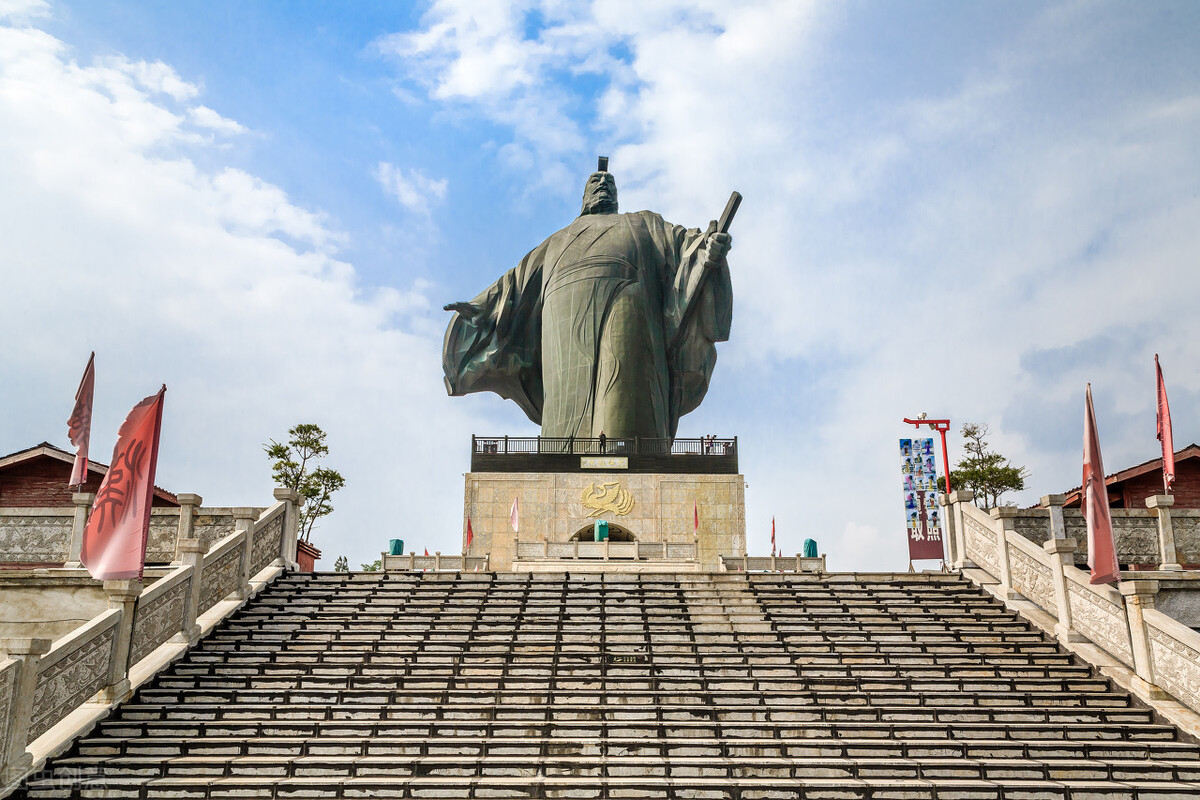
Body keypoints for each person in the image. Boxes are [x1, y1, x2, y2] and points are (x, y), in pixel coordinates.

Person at [442, 164, 733, 439]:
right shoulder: (556, 241)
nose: (604, 186)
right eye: (596, 182)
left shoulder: (644, 223)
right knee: (566, 407)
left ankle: (630, 466)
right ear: (584, 196)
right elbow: (513, 287)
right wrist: (480, 309)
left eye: (610, 184)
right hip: (562, 331)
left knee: (623, 399)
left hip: (628, 310)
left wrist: (707, 249)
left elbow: (687, 247)